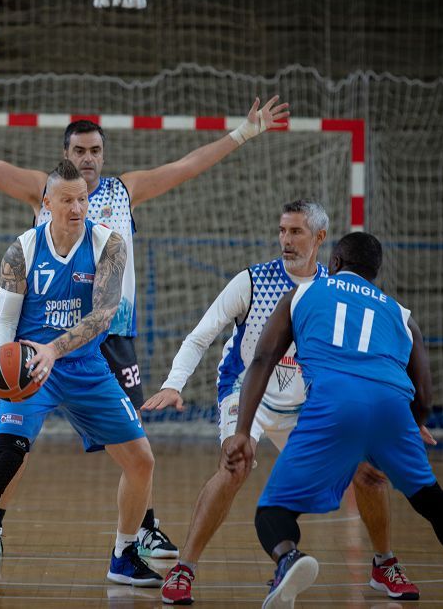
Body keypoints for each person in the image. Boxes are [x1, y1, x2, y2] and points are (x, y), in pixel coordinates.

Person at [0, 91, 289, 559]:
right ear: (66, 156)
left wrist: (242, 132)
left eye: (95, 150)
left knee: (135, 444)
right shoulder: (43, 189)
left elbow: (186, 165)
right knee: (17, 446)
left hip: (110, 337)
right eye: (79, 151)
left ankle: (143, 530)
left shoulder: (124, 190)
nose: (88, 158)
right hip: (44, 340)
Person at [145, 200, 423, 604]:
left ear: (321, 239)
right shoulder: (252, 282)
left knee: (369, 472)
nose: (286, 240)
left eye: (296, 232)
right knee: (234, 466)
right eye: (282, 230)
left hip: (307, 403)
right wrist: (174, 383)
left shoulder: (333, 292)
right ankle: (183, 569)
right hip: (247, 393)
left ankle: (384, 564)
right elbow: (201, 335)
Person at [222, 232, 443, 609]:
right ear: (375, 272)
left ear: (334, 264)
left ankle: (288, 559)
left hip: (334, 401)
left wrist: (243, 432)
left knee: (274, 510)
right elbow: (424, 392)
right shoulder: (401, 315)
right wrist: (414, 423)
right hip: (392, 406)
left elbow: (263, 360)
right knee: (434, 501)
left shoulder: (301, 295)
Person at [0, 161, 160, 594]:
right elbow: (4, 321)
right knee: (7, 457)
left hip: (85, 367)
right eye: (67, 200)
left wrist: (55, 350)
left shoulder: (108, 244)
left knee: (141, 461)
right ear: (47, 204)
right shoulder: (22, 249)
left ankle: (124, 554)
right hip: (28, 366)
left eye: (82, 198)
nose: (78, 207)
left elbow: (102, 317)